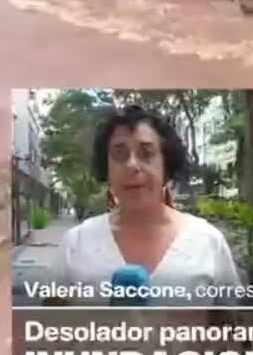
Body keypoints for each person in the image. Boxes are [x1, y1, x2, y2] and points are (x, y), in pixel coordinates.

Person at [51, 104, 242, 305]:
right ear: (106, 169)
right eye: (119, 155)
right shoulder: (76, 242)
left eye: (146, 153)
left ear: (166, 166)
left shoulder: (208, 240)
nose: (132, 165)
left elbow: (229, 324)